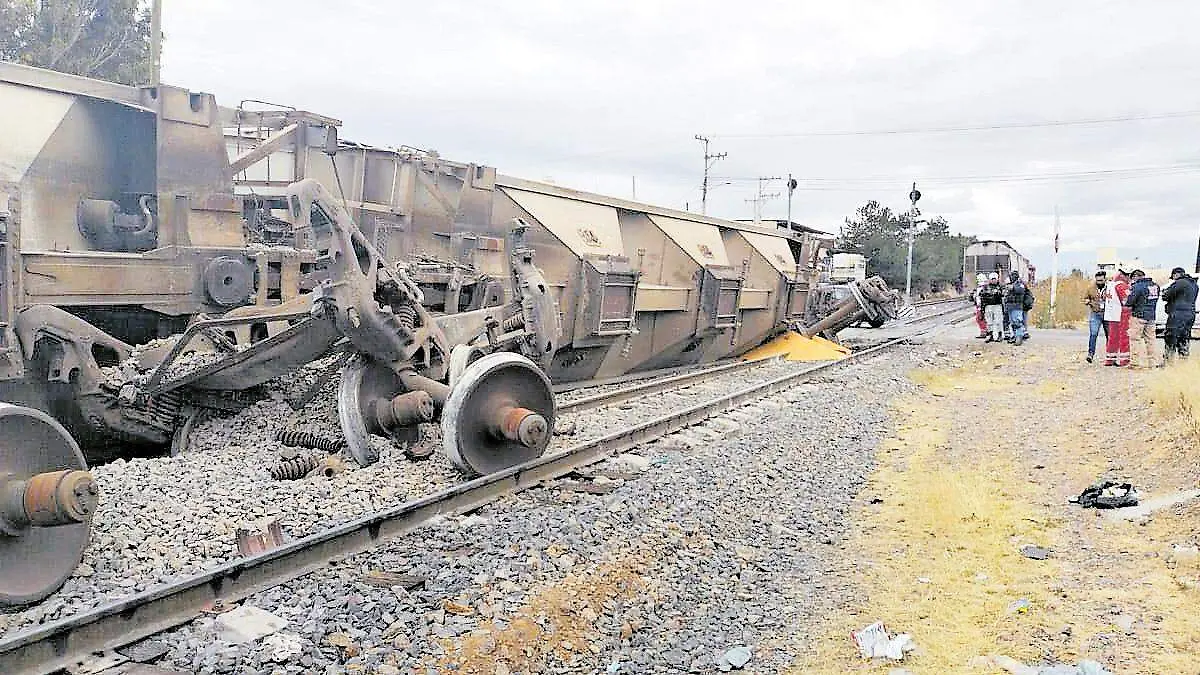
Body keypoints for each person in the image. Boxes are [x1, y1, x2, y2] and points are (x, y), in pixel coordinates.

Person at [1124, 269, 1160, 369]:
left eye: (1132, 278)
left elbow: (1130, 301)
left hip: (1138, 316)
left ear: (1135, 276)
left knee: (1135, 339)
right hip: (1151, 316)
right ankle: (1152, 363)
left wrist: (1126, 301)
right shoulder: (1155, 286)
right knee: (1151, 340)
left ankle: (1134, 363)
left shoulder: (1137, 286)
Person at [1161, 266, 1198, 361]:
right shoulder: (1194, 284)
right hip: (1190, 314)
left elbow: (1166, 296)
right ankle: (1184, 360)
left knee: (1171, 337)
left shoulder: (1179, 282)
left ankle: (1168, 362)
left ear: (1176, 274)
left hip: (1177, 314)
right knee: (1184, 337)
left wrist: (1165, 292)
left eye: (1173, 276)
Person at [1103, 271, 1131, 367]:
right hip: (1122, 314)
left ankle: (1110, 359)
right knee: (1124, 337)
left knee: (1112, 338)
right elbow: (1127, 300)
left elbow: (1104, 297)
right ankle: (1125, 360)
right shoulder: (1121, 286)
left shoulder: (1110, 285)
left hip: (1111, 314)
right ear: (1124, 276)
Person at [1083, 270, 1108, 363]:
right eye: (1097, 281)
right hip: (1095, 313)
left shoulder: (1110, 287)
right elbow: (1086, 297)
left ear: (1105, 279)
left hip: (1107, 314)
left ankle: (1110, 355)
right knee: (1093, 334)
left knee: (1109, 335)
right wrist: (1087, 301)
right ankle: (1090, 354)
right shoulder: (1091, 288)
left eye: (1101, 281)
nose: (1099, 283)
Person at [1003, 271, 1031, 346]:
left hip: (1017, 306)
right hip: (1009, 307)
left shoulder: (1020, 284)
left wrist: (1013, 287)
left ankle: (1019, 336)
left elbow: (1021, 290)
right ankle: (1015, 336)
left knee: (1017, 321)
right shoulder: (1009, 285)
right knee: (1012, 323)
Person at [979, 272, 1005, 342]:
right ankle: (990, 335)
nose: (993, 280)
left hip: (997, 306)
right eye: (992, 279)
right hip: (988, 306)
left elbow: (1003, 295)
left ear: (997, 279)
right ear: (989, 279)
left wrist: (998, 293)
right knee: (989, 321)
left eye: (995, 279)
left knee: (998, 321)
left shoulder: (1001, 287)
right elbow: (982, 297)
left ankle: (1000, 335)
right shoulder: (985, 287)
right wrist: (982, 309)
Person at [972, 273, 989, 338]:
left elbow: (979, 297)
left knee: (980, 318)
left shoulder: (982, 288)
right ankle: (985, 331)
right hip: (980, 305)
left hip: (981, 306)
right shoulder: (981, 288)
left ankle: (984, 332)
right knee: (980, 318)